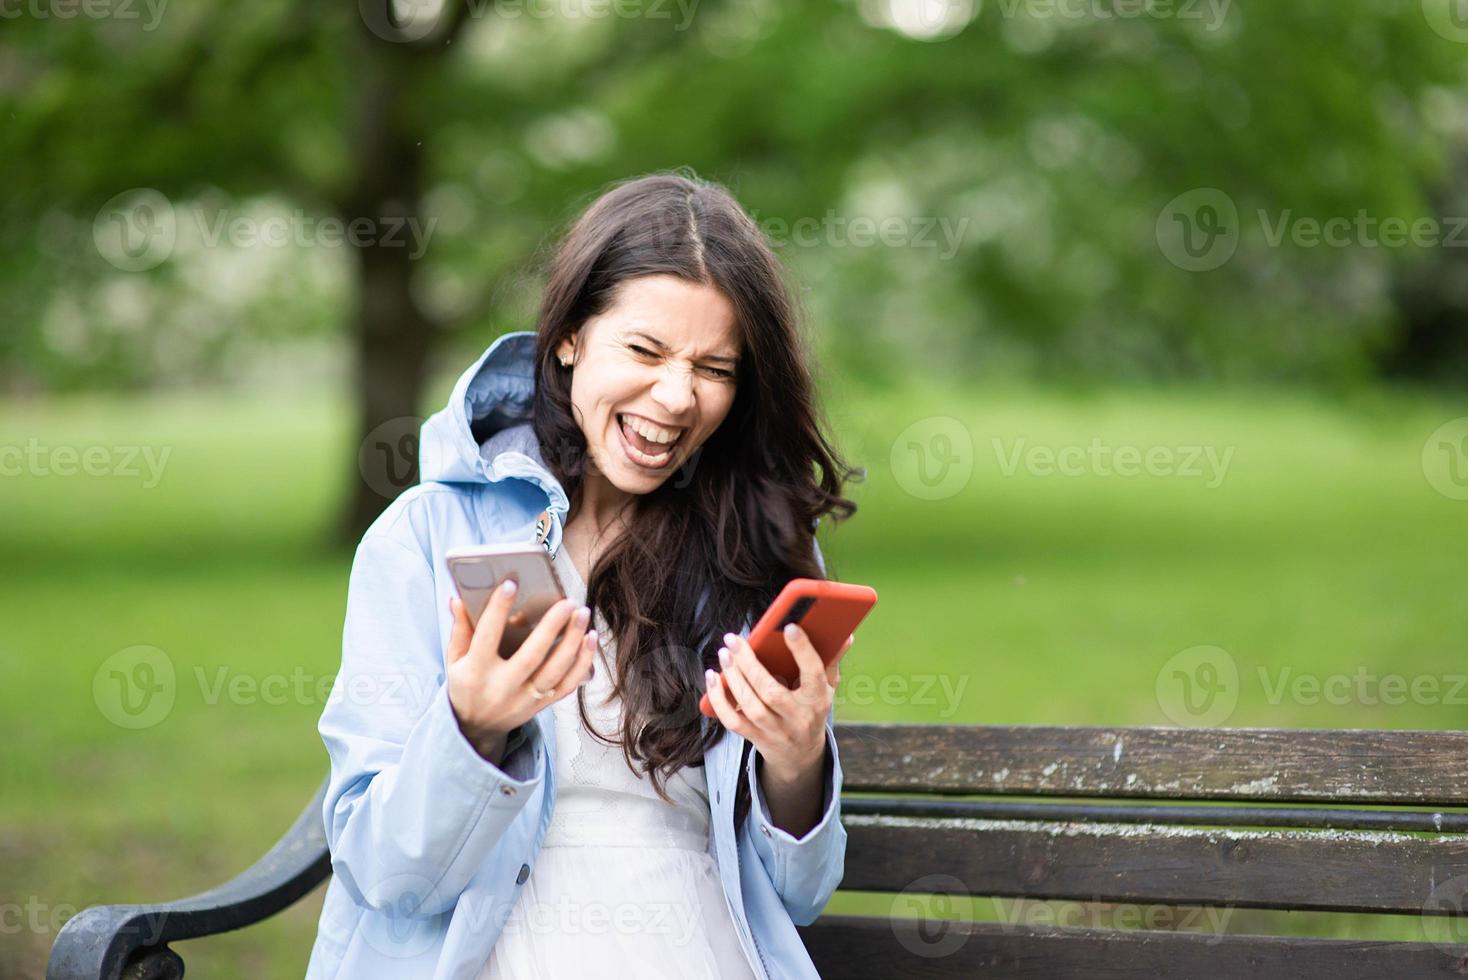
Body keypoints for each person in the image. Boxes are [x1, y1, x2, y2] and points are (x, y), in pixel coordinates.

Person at [305, 170, 859, 980]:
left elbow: (794, 901)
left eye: (716, 367)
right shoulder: (426, 536)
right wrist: (472, 731)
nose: (676, 397)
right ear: (569, 336)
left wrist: (798, 761)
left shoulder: (760, 551)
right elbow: (386, 874)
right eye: (645, 350)